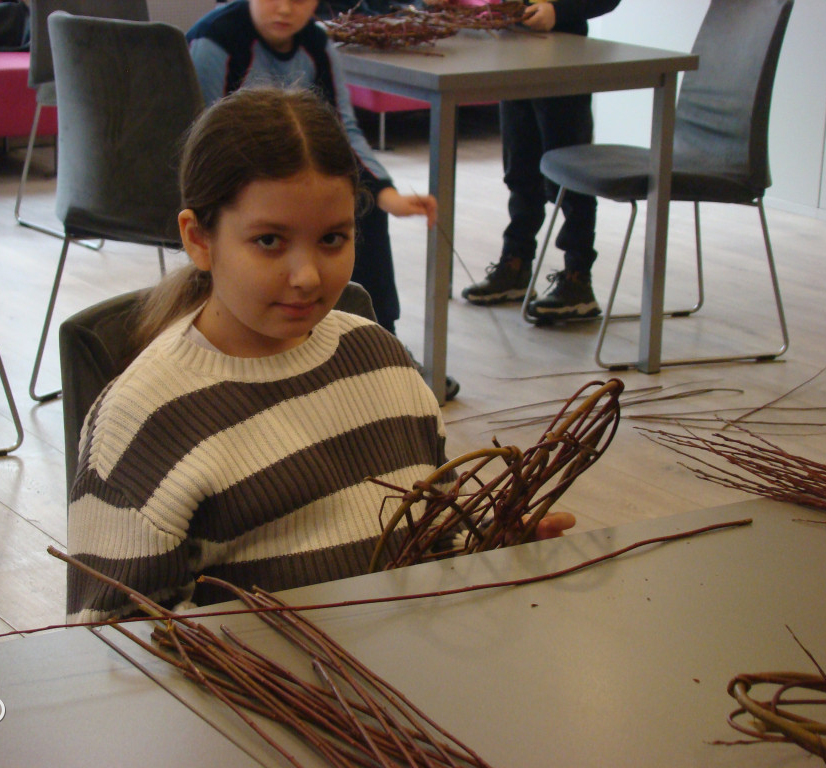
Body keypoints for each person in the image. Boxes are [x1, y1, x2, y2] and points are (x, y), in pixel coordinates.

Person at [66, 88, 573, 622]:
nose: (307, 276)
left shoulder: (382, 359)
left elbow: (433, 540)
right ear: (199, 240)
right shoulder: (143, 419)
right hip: (257, 700)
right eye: (269, 241)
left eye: (332, 239)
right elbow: (112, 645)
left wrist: (492, 547)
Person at [185, 1, 442, 367]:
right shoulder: (215, 40)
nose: (286, 9)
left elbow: (341, 129)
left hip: (293, 177)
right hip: (231, 184)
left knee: (364, 206)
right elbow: (198, 140)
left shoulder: (317, 43)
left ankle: (380, 338)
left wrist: (386, 192)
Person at [459, 0, 621, 320]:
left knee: (570, 177)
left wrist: (558, 11)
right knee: (519, 171)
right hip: (514, 50)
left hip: (566, 58)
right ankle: (516, 265)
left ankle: (578, 279)